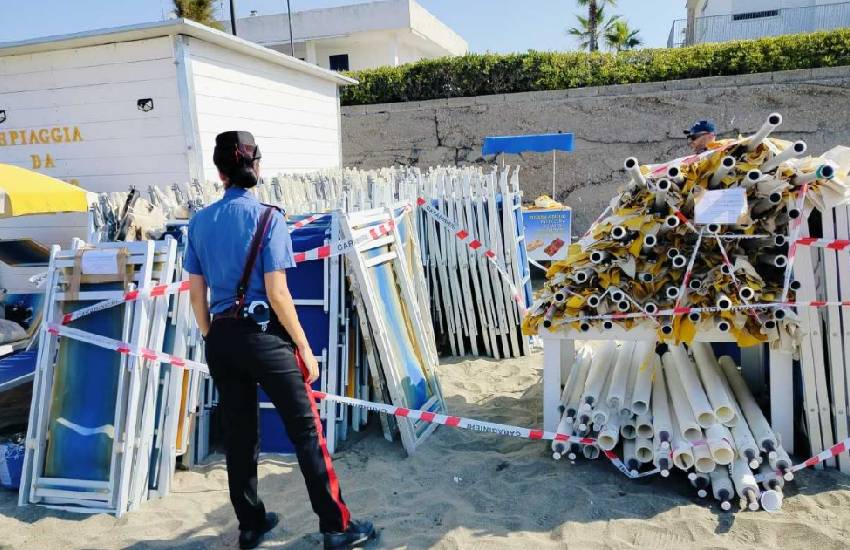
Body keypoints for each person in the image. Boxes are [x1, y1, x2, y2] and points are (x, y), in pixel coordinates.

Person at [185, 131, 375, 550]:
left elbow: (196, 293)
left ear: (219, 173)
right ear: (258, 167)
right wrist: (304, 347)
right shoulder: (270, 218)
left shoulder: (198, 223)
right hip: (264, 337)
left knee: (239, 433)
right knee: (306, 431)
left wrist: (210, 334)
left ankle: (250, 523)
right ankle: (336, 526)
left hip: (221, 336)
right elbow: (277, 293)